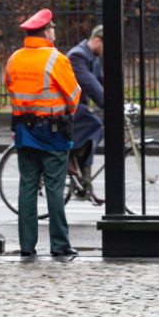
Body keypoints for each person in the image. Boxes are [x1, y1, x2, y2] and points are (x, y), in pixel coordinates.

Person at [3, 8, 82, 258]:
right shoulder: (55, 59)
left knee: (27, 187)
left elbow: (10, 88)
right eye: (53, 29)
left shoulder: (14, 58)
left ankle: (27, 245)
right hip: (53, 132)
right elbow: (73, 96)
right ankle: (59, 244)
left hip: (23, 131)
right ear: (47, 32)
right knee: (54, 188)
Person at [67, 24, 105, 201]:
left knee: (94, 131)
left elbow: (101, 83)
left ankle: (84, 183)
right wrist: (107, 103)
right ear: (97, 40)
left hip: (80, 109)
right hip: (70, 109)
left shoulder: (93, 58)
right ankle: (72, 158)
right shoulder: (78, 56)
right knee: (95, 125)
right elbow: (91, 85)